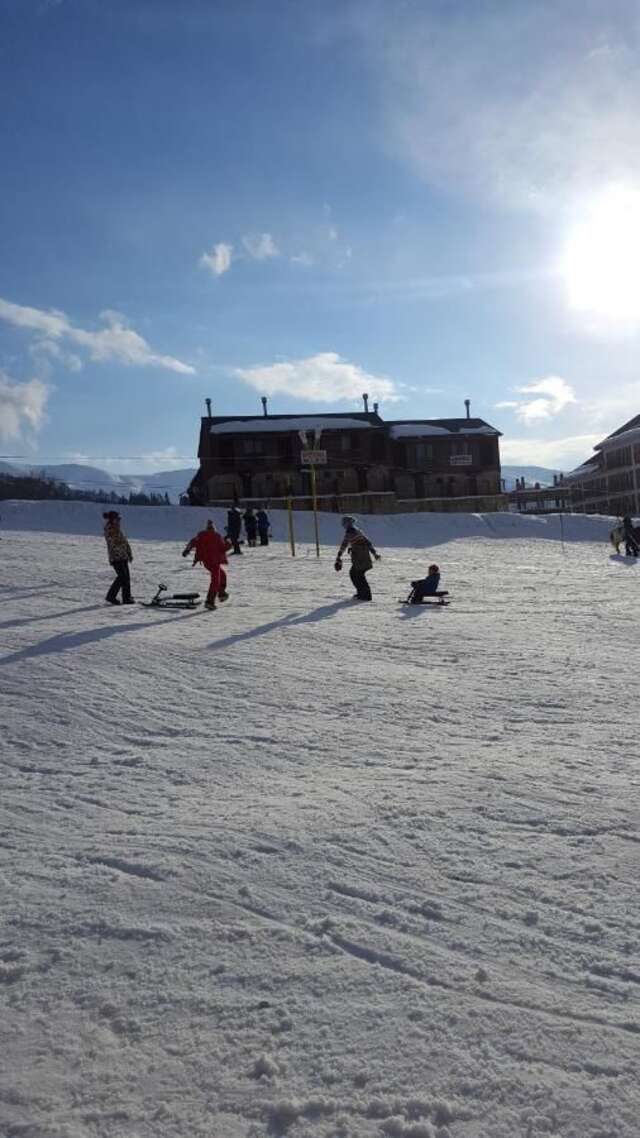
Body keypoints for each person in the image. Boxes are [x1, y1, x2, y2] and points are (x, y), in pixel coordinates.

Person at [182, 520, 231, 609]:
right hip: (214, 562)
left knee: (222, 575)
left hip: (207, 562)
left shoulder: (201, 535)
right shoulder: (217, 536)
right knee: (216, 581)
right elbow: (224, 548)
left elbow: (193, 542)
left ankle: (221, 593)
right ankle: (210, 601)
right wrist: (229, 542)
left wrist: (187, 550)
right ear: (214, 528)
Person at [334, 515, 380, 601]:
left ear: (347, 524)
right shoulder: (357, 530)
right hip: (363, 557)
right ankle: (363, 594)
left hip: (360, 558)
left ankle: (365, 596)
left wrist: (339, 555)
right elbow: (368, 542)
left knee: (357, 575)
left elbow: (344, 544)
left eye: (344, 523)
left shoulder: (350, 532)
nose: (343, 525)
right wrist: (374, 553)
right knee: (357, 575)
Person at [103, 511, 134, 605]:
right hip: (116, 557)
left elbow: (125, 542)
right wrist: (123, 548)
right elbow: (114, 543)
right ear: (113, 520)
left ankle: (126, 598)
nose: (119, 521)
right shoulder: (110, 529)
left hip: (123, 556)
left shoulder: (118, 529)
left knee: (126, 578)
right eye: (117, 519)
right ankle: (111, 596)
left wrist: (129, 553)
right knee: (122, 577)